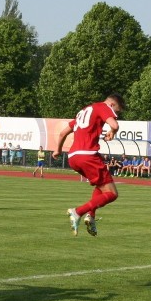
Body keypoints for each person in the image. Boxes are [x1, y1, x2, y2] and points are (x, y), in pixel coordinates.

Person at [53, 93, 125, 237]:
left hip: (73, 157)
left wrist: (58, 150)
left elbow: (62, 133)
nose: (114, 114)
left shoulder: (84, 112)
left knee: (103, 186)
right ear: (111, 105)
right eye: (116, 111)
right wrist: (113, 131)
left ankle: (90, 217)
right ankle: (78, 212)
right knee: (112, 194)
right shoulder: (103, 107)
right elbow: (114, 125)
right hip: (87, 155)